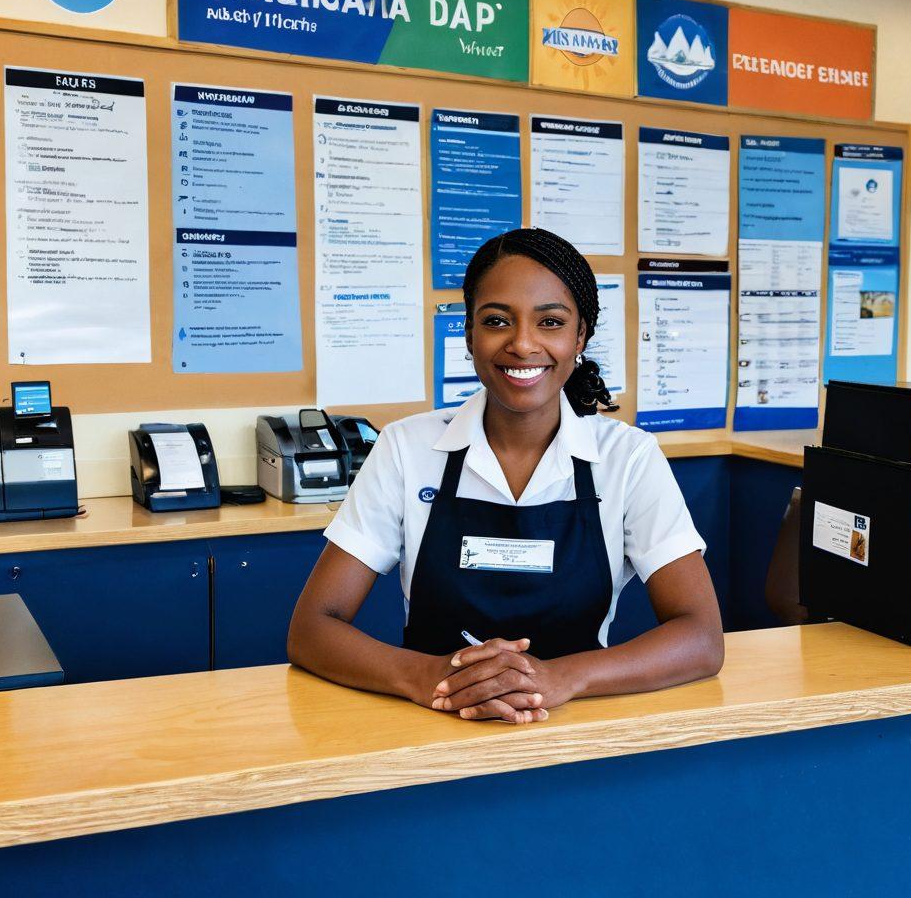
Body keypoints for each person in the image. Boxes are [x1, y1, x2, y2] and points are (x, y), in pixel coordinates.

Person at [288, 228, 723, 724]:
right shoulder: (407, 449)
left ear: (580, 336)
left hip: (576, 733)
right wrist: (424, 676)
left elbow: (702, 638)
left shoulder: (628, 458)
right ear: (469, 334)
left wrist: (562, 678)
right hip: (430, 727)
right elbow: (311, 629)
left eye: (551, 322)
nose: (522, 344)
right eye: (497, 321)